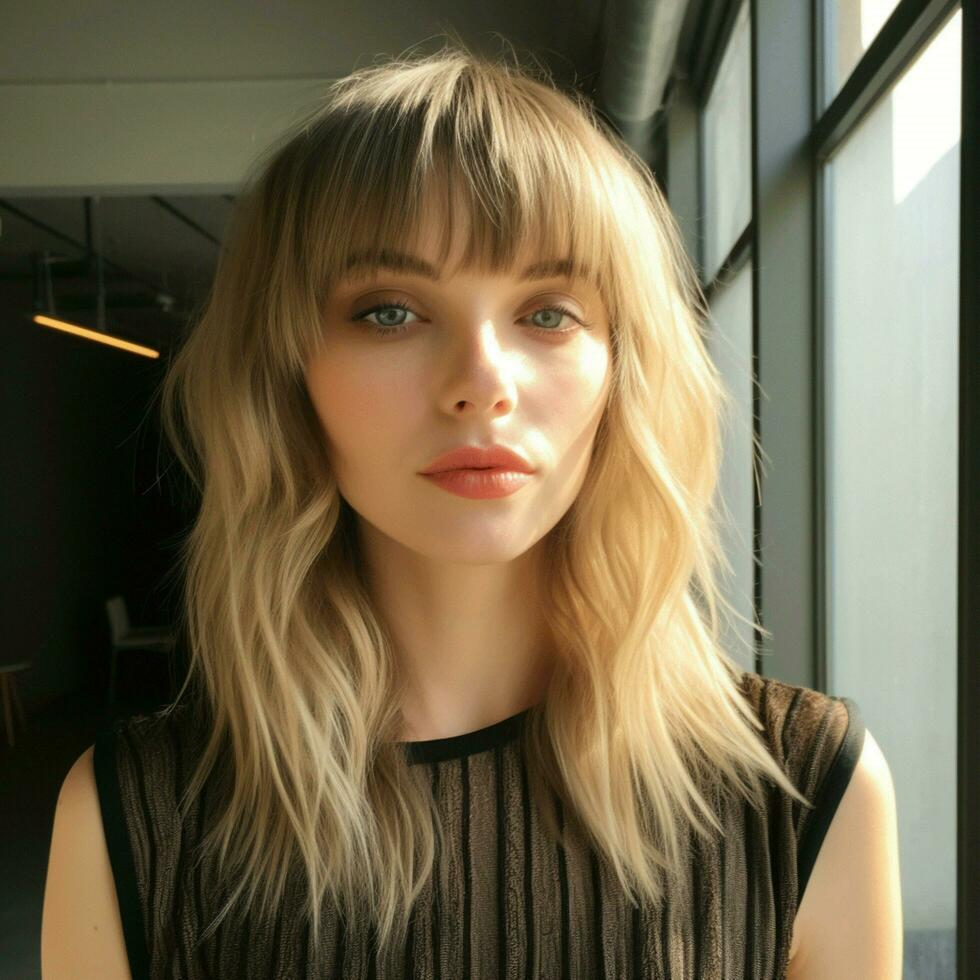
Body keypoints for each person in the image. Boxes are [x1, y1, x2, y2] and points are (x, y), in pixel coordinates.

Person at [41, 36, 902, 979]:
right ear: (285, 377)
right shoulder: (134, 819)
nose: (481, 384)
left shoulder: (809, 794)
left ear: (626, 371)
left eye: (548, 312)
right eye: (389, 311)